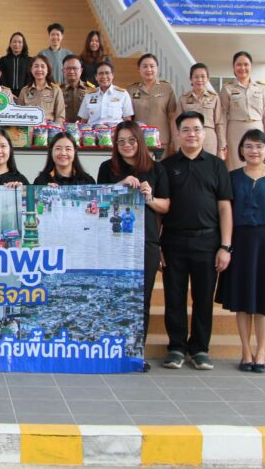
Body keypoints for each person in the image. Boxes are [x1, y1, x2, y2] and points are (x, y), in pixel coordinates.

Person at [159, 111, 233, 371]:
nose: (192, 134)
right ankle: (176, 347)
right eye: (186, 130)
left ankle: (200, 348)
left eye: (197, 129)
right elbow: (160, 209)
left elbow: (224, 207)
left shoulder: (217, 165)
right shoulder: (166, 166)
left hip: (208, 242)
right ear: (177, 134)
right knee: (174, 297)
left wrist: (225, 246)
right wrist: (158, 246)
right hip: (173, 242)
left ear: (204, 133)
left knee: (203, 298)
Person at [97, 120, 170, 372]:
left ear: (140, 141)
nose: (126, 145)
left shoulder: (156, 169)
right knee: (113, 296)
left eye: (131, 140)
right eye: (121, 141)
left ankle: (137, 352)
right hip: (114, 241)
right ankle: (112, 350)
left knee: (141, 299)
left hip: (146, 242)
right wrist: (119, 186)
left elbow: (166, 206)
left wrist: (149, 198)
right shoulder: (107, 168)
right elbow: (99, 200)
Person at [217, 129, 265, 373]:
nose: (254, 151)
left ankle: (261, 351)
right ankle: (246, 351)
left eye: (259, 146)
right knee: (242, 300)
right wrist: (226, 246)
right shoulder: (233, 177)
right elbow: (225, 213)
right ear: (241, 150)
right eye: (248, 146)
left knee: (264, 300)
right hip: (240, 243)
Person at [220, 51, 265, 170]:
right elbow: (222, 117)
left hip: (257, 130)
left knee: (256, 165)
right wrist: (222, 143)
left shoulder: (261, 88)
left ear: (251, 66)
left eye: (246, 64)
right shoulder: (227, 88)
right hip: (235, 133)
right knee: (236, 167)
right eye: (239, 64)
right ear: (233, 67)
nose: (242, 68)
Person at [128, 54, 178, 151]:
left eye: (152, 66)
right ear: (139, 69)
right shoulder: (131, 89)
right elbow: (128, 118)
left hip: (161, 140)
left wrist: (174, 140)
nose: (149, 69)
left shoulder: (167, 88)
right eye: (145, 66)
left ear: (157, 68)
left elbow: (172, 117)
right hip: (139, 140)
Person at [175, 63, 225, 157]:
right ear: (191, 79)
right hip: (189, 138)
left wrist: (221, 148)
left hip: (209, 140)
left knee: (208, 165)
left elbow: (219, 123)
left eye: (203, 76)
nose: (199, 80)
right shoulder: (183, 98)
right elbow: (177, 124)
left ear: (207, 78)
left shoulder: (214, 97)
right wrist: (177, 145)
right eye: (196, 77)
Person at [77, 60, 134, 125]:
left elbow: (127, 119)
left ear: (112, 75)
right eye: (101, 73)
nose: (104, 76)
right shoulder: (89, 95)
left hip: (115, 130)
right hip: (93, 131)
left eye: (107, 73)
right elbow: (84, 120)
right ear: (96, 77)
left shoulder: (122, 94)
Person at [18, 54, 65, 123]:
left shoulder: (56, 90)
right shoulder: (24, 91)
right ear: (31, 69)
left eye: (43, 66)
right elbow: (19, 114)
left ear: (48, 70)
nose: (39, 69)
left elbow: (60, 116)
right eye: (36, 66)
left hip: (50, 128)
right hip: (29, 128)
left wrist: (55, 128)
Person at [0, 32, 32, 97]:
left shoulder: (29, 60)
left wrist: (24, 92)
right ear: (10, 44)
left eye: (20, 42)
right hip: (6, 94)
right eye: (14, 42)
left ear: (23, 44)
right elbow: (1, 78)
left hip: (25, 93)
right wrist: (8, 92)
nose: (17, 44)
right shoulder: (3, 60)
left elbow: (30, 78)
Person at [61, 55, 92, 123]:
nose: (71, 71)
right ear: (63, 71)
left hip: (85, 127)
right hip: (63, 127)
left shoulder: (91, 90)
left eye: (75, 68)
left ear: (81, 70)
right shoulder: (58, 90)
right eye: (68, 68)